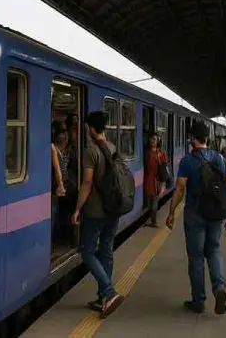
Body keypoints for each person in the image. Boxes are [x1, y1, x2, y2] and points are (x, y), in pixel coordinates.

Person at [166, 121, 226, 315]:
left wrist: (171, 212)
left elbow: (179, 189)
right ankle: (219, 288)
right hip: (216, 215)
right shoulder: (220, 158)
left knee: (196, 258)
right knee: (214, 250)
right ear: (207, 138)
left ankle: (198, 301)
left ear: (191, 138)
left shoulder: (188, 161)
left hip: (195, 215)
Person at [72, 111, 125, 317]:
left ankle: (109, 293)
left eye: (87, 127)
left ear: (92, 128)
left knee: (87, 252)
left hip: (95, 211)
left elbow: (86, 183)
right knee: (106, 250)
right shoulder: (112, 147)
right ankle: (103, 296)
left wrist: (77, 208)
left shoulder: (91, 151)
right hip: (112, 210)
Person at [143, 132, 168, 227]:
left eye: (154, 139)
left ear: (158, 141)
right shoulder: (147, 152)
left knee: (154, 201)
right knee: (149, 202)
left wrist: (163, 183)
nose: (152, 141)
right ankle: (152, 220)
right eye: (151, 139)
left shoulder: (161, 153)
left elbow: (164, 167)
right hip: (148, 180)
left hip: (157, 180)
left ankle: (153, 221)